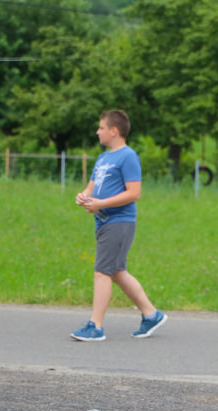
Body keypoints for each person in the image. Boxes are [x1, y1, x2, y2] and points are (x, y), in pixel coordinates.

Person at [70, 110, 167, 342]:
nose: (98, 131)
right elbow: (91, 186)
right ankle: (151, 314)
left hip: (119, 221)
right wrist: (83, 196)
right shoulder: (103, 158)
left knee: (102, 271)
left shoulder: (128, 156)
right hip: (103, 221)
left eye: (101, 127)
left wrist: (101, 203)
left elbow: (134, 193)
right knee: (116, 271)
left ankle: (95, 326)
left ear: (114, 131)